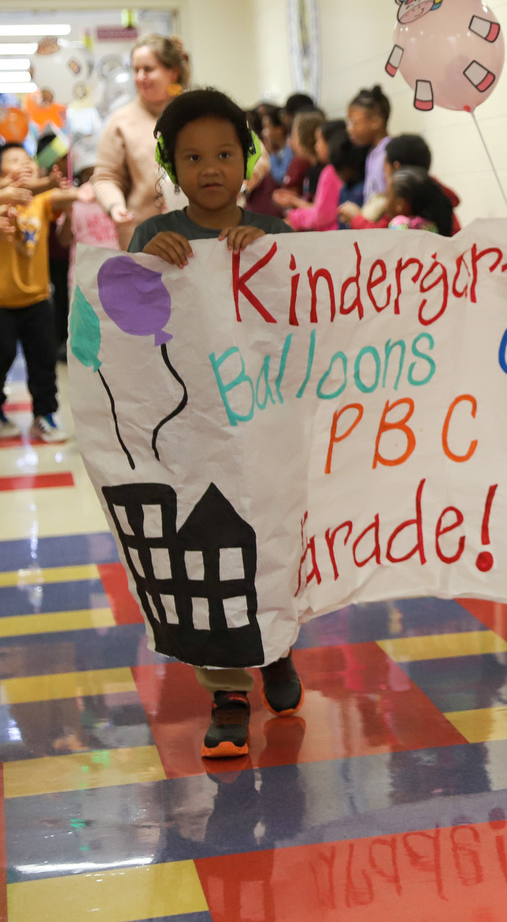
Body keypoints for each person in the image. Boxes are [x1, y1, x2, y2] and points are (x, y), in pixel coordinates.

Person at [126, 88, 302, 757]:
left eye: (224, 154)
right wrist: (148, 267)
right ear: (172, 165)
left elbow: (302, 316)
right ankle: (228, 691)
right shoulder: (153, 238)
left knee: (274, 544)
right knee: (208, 553)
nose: (210, 168)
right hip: (194, 431)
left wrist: (267, 257)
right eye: (193, 157)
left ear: (247, 159)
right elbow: (132, 331)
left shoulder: (275, 235)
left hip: (268, 429)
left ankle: (277, 648)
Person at [0, 142, 93, 443]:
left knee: (43, 362)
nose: (22, 163)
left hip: (38, 298)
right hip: (1, 301)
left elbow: (68, 195)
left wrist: (78, 189)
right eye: (13, 159)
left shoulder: (38, 201)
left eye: (26, 158)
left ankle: (45, 414)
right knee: (1, 358)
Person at [92, 34, 191, 250]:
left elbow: (255, 155)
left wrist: (241, 184)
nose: (140, 77)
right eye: (135, 70)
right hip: (144, 238)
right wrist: (115, 206)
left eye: (148, 69)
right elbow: (105, 177)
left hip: (200, 237)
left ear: (172, 72)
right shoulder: (121, 121)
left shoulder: (200, 111)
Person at [341, 133, 461, 233]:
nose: (384, 175)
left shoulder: (400, 212)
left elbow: (380, 237)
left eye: (385, 168)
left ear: (396, 168)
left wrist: (356, 219)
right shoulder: (443, 198)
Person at [284, 119, 350, 232]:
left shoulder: (330, 172)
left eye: (319, 141)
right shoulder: (342, 169)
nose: (316, 147)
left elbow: (322, 215)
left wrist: (293, 216)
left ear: (331, 144)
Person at [338, 85, 391, 223]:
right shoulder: (372, 152)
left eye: (354, 123)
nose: (349, 129)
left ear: (375, 122)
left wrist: (360, 217)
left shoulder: (389, 152)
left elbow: (386, 200)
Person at [384, 165, 455, 236]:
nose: (384, 203)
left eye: (387, 196)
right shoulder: (435, 229)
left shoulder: (399, 225)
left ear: (401, 204)